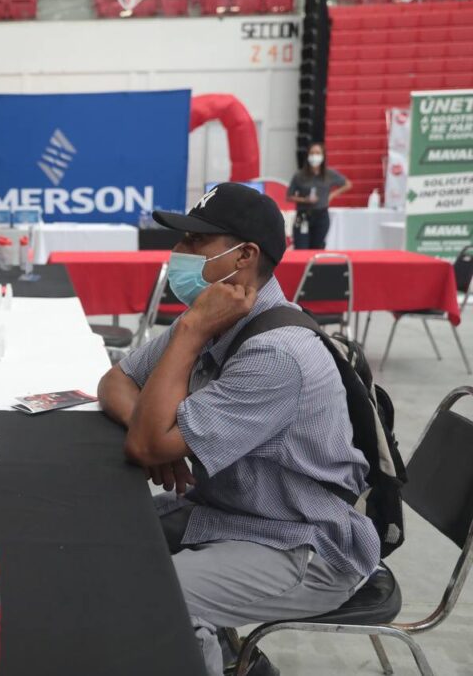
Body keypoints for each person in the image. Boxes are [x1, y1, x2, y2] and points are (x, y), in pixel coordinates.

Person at [96, 183, 378, 676]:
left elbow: (144, 443)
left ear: (243, 256)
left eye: (193, 243)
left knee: (152, 598)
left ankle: (215, 657)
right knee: (102, 535)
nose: (177, 254)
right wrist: (159, 432)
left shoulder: (275, 353)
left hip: (300, 542)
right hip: (232, 512)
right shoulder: (218, 316)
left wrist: (185, 342)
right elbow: (116, 381)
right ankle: (231, 656)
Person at [287, 143, 352, 249]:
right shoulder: (299, 175)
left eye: (317, 153)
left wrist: (332, 194)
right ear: (308, 156)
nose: (314, 156)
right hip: (303, 216)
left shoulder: (329, 174)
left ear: (323, 156)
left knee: (317, 247)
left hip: (321, 215)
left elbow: (348, 184)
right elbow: (289, 196)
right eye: (312, 153)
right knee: (301, 247)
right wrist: (304, 200)